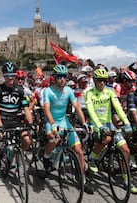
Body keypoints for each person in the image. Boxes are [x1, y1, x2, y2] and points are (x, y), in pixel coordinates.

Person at [84, 68, 137, 194]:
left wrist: (126, 122)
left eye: (104, 81)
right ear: (94, 81)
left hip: (109, 124)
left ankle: (127, 180)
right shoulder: (89, 93)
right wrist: (99, 125)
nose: (102, 83)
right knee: (107, 138)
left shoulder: (110, 91)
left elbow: (118, 108)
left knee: (126, 150)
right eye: (99, 81)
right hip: (96, 124)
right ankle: (93, 158)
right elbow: (91, 112)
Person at [0, 62, 33, 203]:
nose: (10, 78)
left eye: (12, 75)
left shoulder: (20, 90)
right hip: (1, 120)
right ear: (4, 75)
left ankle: (15, 156)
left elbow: (26, 109)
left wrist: (31, 123)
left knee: (27, 140)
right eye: (7, 76)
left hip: (14, 120)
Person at [42, 64, 94, 194]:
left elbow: (76, 107)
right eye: (59, 77)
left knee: (79, 151)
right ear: (54, 78)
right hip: (51, 120)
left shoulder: (69, 91)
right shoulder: (47, 91)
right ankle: (46, 156)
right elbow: (46, 109)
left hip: (64, 121)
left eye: (64, 77)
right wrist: (53, 124)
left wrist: (84, 123)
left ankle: (83, 180)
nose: (62, 80)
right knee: (54, 139)